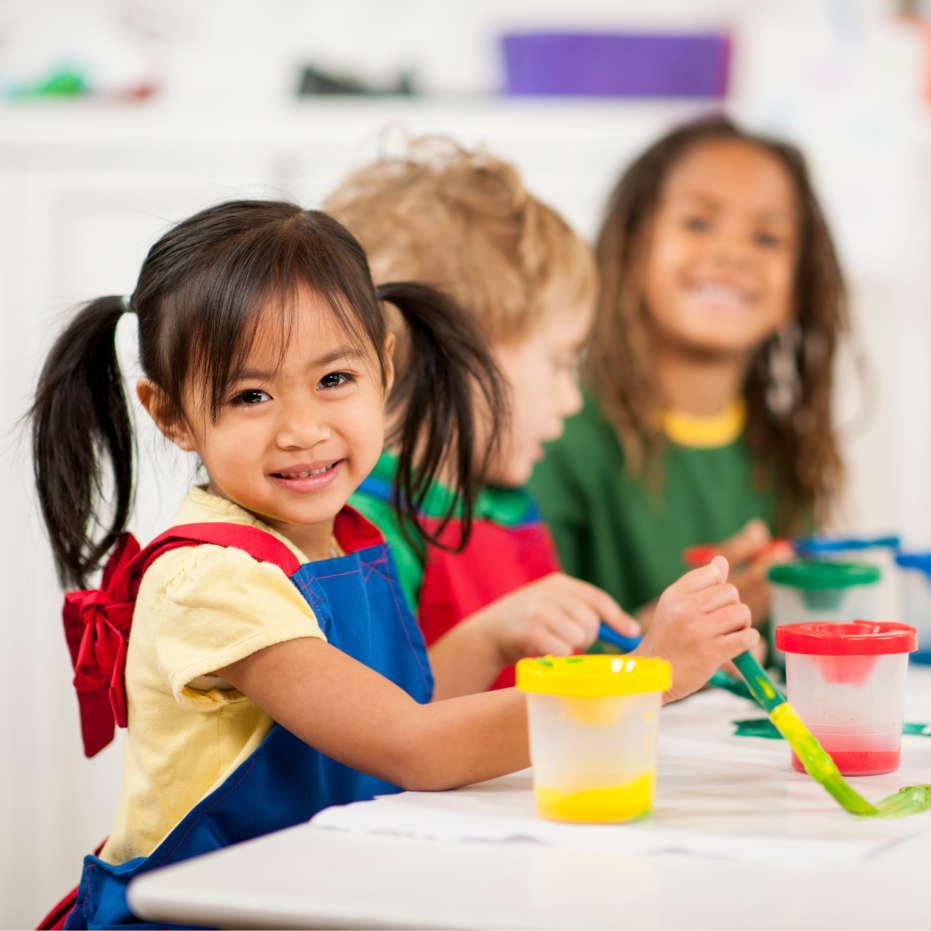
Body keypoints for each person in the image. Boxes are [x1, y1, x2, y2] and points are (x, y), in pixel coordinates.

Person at [32, 200, 758, 929]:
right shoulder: (214, 578)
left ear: (382, 364)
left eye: (333, 379)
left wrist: (489, 636)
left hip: (312, 895)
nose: (303, 428)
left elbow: (375, 716)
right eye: (250, 395)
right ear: (170, 413)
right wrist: (647, 678)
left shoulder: (339, 535)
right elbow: (411, 745)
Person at [327, 140, 634, 699]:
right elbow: (374, 734)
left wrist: (668, 648)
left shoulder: (505, 508)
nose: (572, 399)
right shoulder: (357, 531)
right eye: (560, 362)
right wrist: (489, 641)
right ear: (460, 354)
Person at [528, 116, 846, 633]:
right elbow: (527, 669)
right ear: (632, 250)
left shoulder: (786, 452)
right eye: (698, 223)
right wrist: (686, 626)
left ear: (798, 290)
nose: (731, 253)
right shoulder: (556, 439)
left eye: (766, 237)